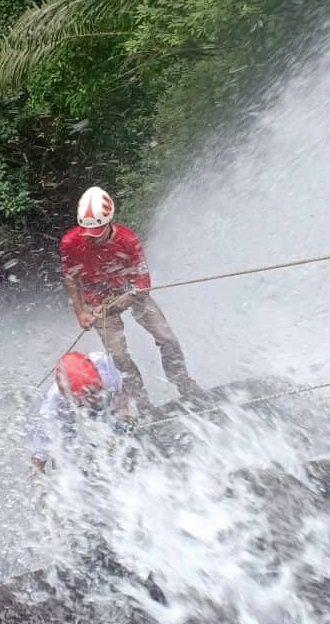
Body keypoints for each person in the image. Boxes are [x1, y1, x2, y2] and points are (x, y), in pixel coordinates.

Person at [59, 186, 202, 409]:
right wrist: (80, 312)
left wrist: (121, 301)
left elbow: (143, 285)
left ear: (109, 223)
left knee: (167, 338)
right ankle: (143, 403)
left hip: (129, 292)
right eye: (88, 234)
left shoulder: (128, 239)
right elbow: (71, 278)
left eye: (97, 233)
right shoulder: (70, 242)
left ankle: (184, 383)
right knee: (119, 357)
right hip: (97, 300)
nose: (92, 239)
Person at [31, 349, 125, 471]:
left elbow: (121, 393)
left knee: (114, 439)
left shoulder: (104, 366)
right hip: (70, 424)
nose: (94, 399)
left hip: (98, 409)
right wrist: (38, 478)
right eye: (88, 397)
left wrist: (121, 417)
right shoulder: (52, 408)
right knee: (68, 459)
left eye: (95, 392)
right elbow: (39, 457)